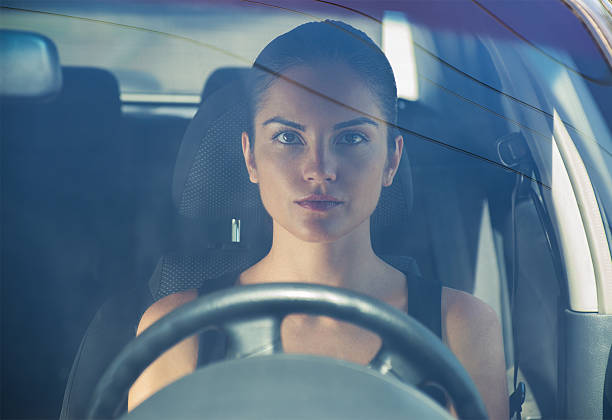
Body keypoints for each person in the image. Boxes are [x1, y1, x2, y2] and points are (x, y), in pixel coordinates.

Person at [128, 20, 508, 419]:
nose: (319, 169)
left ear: (392, 160)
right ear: (251, 156)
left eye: (351, 138)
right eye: (289, 138)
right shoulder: (177, 330)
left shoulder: (461, 327)